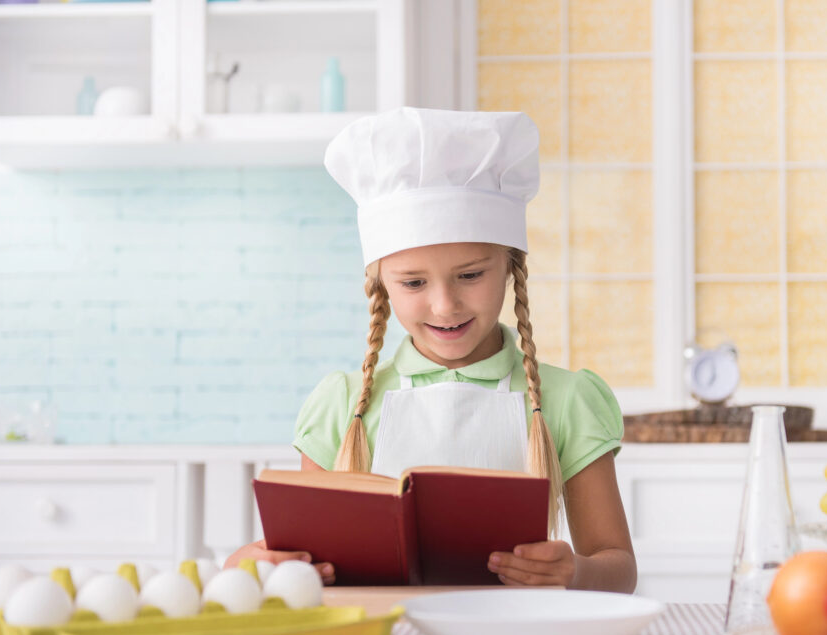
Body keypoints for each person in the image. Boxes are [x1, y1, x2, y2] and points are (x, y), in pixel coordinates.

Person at [225, 107, 636, 592]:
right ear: (381, 285)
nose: (445, 306)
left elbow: (618, 569)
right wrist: (249, 564)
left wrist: (576, 572)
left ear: (509, 267)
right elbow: (296, 559)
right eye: (414, 281)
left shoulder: (567, 400)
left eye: (470, 275)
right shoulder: (342, 403)